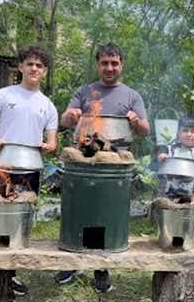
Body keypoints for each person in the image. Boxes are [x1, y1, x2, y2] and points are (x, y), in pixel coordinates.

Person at [57, 43, 150, 293]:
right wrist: (72, 115)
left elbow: (144, 130)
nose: (109, 68)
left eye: (114, 63)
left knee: (104, 213)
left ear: (122, 65)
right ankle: (72, 262)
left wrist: (135, 120)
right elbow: (64, 120)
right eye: (105, 63)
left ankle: (101, 268)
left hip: (115, 159)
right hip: (85, 154)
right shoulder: (84, 91)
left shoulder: (132, 95)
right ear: (98, 64)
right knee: (79, 209)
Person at [0, 46, 58, 297]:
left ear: (44, 71)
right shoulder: (4, 94)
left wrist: (49, 146)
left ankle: (8, 276)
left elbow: (52, 141)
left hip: (29, 170)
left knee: (19, 225)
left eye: (39, 66)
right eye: (30, 64)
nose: (34, 69)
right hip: (1, 166)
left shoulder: (48, 105)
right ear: (20, 67)